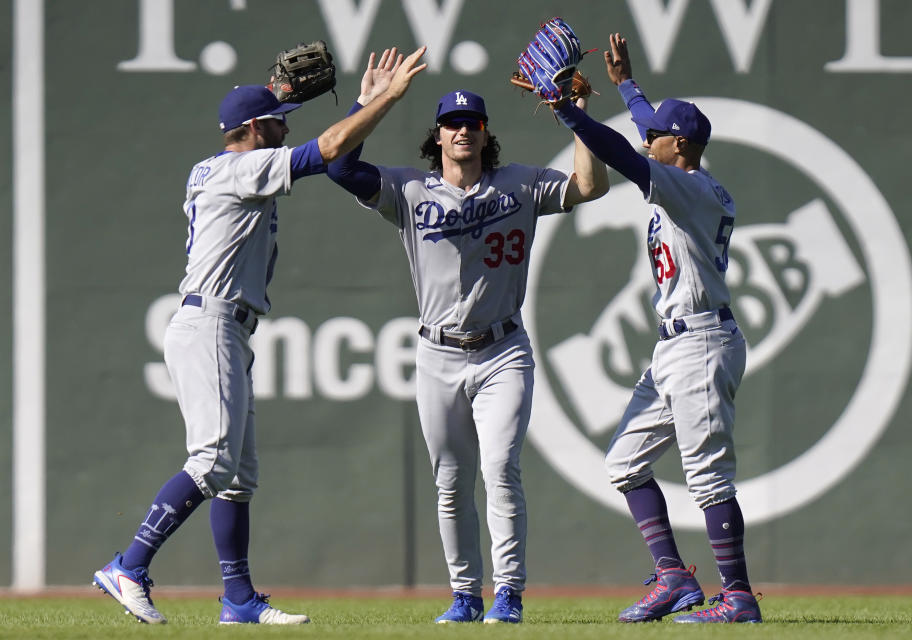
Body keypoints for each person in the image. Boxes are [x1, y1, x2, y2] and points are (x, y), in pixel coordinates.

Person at [92, 46, 427, 625]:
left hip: (225, 325)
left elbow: (315, 142)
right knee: (213, 460)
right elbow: (326, 151)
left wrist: (361, 102)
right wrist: (387, 100)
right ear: (252, 128)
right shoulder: (239, 168)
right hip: (211, 323)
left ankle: (239, 601)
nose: (285, 125)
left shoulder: (227, 163)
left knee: (237, 477)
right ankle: (130, 564)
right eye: (277, 120)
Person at [326, 57, 609, 623]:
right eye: (451, 123)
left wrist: (577, 118)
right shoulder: (407, 190)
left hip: (502, 350)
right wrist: (373, 103)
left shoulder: (520, 183)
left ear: (485, 133)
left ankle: (508, 593)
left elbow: (589, 187)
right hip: (437, 354)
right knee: (451, 483)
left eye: (471, 123)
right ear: (437, 135)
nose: (461, 130)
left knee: (500, 470)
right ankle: (464, 594)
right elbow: (337, 164)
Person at [548, 33, 762, 624]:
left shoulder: (684, 185)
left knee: (707, 474)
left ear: (681, 146)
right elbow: (648, 132)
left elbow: (622, 152)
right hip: (675, 346)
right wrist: (626, 86)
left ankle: (738, 596)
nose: (648, 138)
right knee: (625, 462)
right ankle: (673, 579)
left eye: (658, 136)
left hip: (700, 343)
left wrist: (567, 110)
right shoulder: (687, 175)